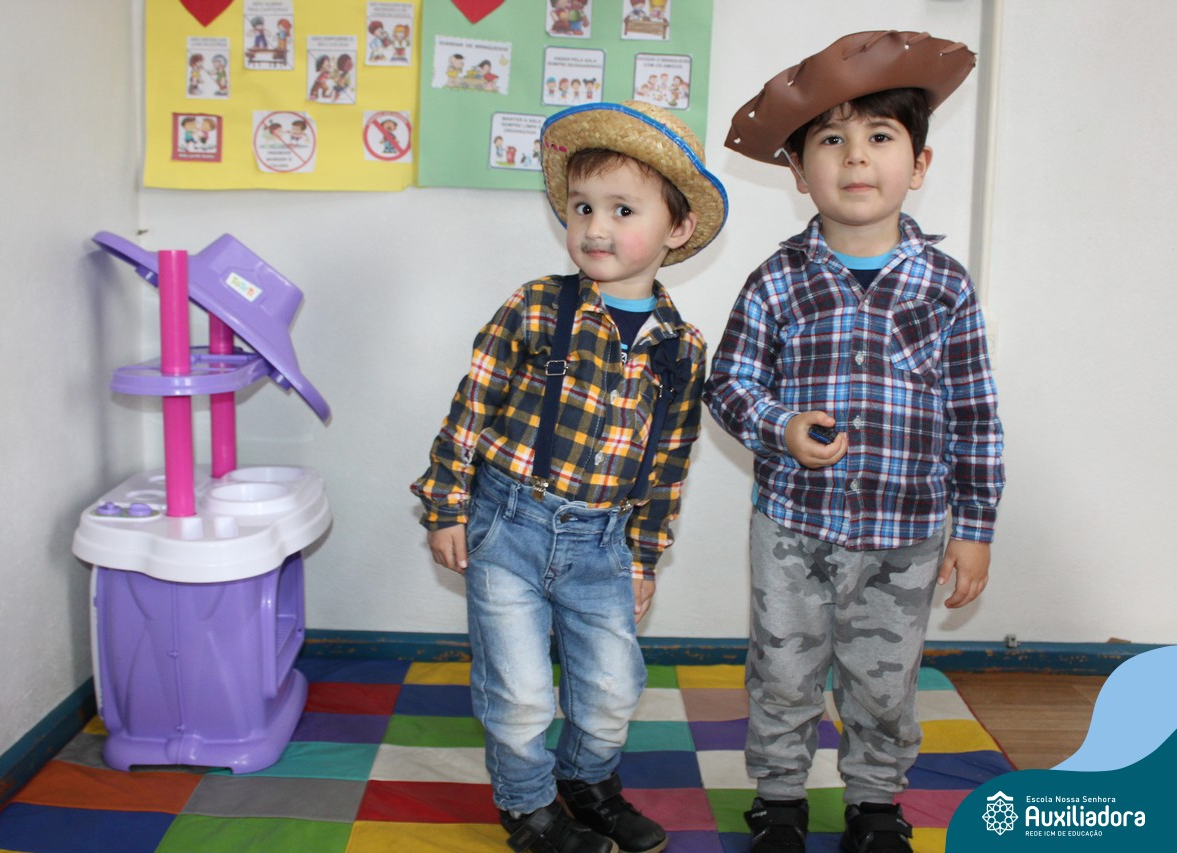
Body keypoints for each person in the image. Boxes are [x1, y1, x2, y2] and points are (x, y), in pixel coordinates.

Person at [705, 31, 1004, 853]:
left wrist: (976, 526)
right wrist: (780, 427)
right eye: (831, 140)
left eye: (879, 135)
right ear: (800, 174)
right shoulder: (778, 279)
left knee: (884, 679)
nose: (857, 156)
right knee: (783, 669)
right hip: (794, 528)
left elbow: (975, 411)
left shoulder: (945, 286)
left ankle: (875, 802)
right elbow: (727, 384)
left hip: (906, 535)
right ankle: (779, 799)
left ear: (920, 162)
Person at [411, 100, 727, 853]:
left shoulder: (681, 349)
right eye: (582, 207)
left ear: (677, 228)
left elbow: (669, 463)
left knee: (614, 686)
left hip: (603, 544)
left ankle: (586, 782)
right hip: (507, 526)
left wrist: (644, 556)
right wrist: (446, 504)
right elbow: (472, 405)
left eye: (623, 209)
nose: (594, 228)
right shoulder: (536, 306)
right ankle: (527, 807)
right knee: (520, 691)